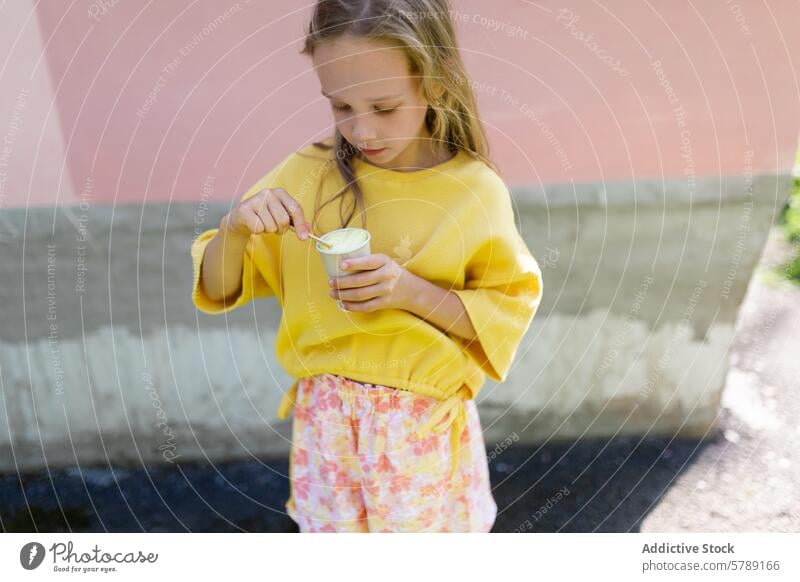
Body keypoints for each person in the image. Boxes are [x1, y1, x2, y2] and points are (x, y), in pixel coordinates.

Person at [190, 0, 543, 532]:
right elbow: (217, 289)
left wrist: (408, 292)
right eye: (340, 107)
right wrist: (235, 229)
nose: (361, 129)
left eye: (383, 106)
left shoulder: (474, 191)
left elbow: (502, 317)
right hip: (326, 425)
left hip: (417, 427)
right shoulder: (306, 174)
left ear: (436, 84)